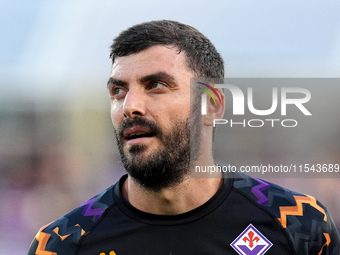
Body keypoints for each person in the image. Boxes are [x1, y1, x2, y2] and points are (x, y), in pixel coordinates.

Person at [28, 20, 339, 255]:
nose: (130, 106)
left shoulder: (299, 223)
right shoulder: (63, 243)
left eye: (156, 85)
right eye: (118, 91)